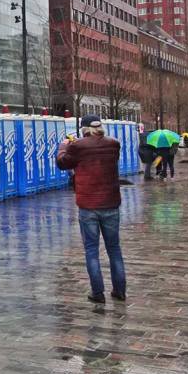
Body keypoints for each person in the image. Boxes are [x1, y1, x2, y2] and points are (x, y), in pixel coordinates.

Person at [55, 115, 126, 304]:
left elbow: (62, 163)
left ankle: (97, 292)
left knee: (91, 250)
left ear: (84, 129)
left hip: (88, 205)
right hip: (111, 203)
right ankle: (120, 290)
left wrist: (63, 147)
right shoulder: (114, 144)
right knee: (114, 248)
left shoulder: (77, 146)